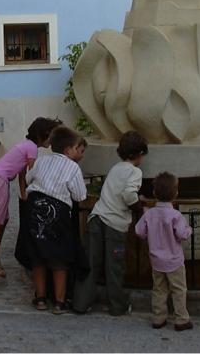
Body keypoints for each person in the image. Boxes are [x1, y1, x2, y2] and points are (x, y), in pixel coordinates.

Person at [0, 116, 62, 278]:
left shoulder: (26, 145)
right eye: (51, 136)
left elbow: (22, 173)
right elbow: (33, 174)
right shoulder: (32, 148)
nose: (52, 140)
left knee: (2, 219)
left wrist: (25, 194)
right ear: (43, 135)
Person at [73, 130, 148, 316]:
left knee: (90, 263)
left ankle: (81, 303)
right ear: (139, 153)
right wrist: (140, 207)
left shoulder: (115, 168)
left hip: (97, 218)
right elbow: (129, 194)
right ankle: (117, 306)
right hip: (115, 225)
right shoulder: (135, 171)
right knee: (114, 267)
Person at [22, 125, 88, 314]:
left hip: (34, 207)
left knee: (38, 255)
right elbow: (80, 196)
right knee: (59, 256)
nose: (80, 153)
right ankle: (59, 302)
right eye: (78, 149)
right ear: (68, 150)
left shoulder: (41, 161)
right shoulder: (73, 167)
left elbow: (28, 179)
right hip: (57, 212)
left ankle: (41, 298)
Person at [135, 172, 193, 331]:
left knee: (159, 289)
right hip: (174, 260)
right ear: (176, 193)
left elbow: (139, 231)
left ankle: (158, 318)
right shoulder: (176, 215)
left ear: (154, 193)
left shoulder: (150, 214)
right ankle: (181, 319)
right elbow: (181, 234)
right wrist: (189, 230)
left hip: (156, 261)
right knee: (179, 289)